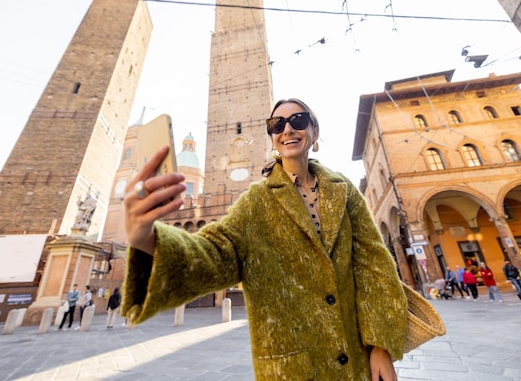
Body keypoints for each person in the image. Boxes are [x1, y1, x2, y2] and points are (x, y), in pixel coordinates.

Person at [121, 98, 408, 380]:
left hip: (357, 360)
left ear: (314, 132)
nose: (287, 129)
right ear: (272, 139)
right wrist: (148, 238)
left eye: (298, 120)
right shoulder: (256, 202)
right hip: (291, 368)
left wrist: (380, 345)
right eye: (277, 124)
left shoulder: (345, 192)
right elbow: (214, 253)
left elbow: (374, 266)